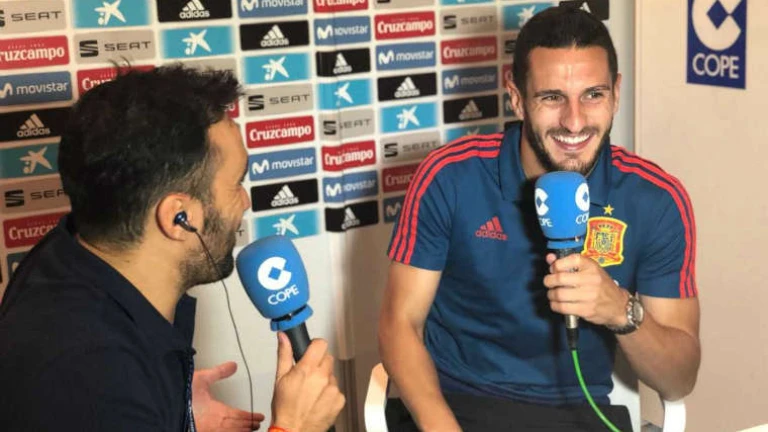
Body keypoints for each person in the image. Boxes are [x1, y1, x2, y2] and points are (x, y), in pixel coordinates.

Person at [378, 6, 700, 431]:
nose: (574, 121)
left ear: (616, 94)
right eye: (552, 97)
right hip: (454, 407)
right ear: (517, 98)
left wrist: (620, 311)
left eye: (593, 94)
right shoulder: (448, 177)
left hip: (580, 415)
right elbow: (399, 324)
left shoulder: (656, 199)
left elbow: (679, 380)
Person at [0, 65, 344, 432]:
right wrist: (295, 426)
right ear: (179, 217)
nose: (244, 202)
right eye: (236, 183)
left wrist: (176, 416)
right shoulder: (90, 377)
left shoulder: (65, 259)